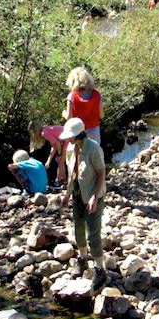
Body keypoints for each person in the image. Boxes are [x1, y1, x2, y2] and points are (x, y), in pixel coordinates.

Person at [60, 117, 106, 277]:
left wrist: (94, 197)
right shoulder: (71, 149)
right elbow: (72, 174)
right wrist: (67, 194)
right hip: (77, 194)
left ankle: (100, 269)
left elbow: (101, 174)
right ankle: (83, 259)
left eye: (70, 136)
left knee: (93, 232)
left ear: (78, 135)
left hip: (93, 194)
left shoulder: (93, 148)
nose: (67, 139)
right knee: (78, 228)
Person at [63, 67, 104, 145]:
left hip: (78, 132)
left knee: (80, 155)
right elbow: (101, 115)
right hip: (94, 130)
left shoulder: (71, 96)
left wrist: (63, 113)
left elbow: (69, 117)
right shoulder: (97, 95)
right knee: (94, 154)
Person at [28, 120, 67, 186]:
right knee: (58, 161)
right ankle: (58, 180)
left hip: (67, 138)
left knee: (61, 161)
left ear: (35, 131)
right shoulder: (46, 130)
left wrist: (59, 154)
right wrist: (49, 161)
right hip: (64, 140)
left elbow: (57, 144)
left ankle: (64, 181)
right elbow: (54, 146)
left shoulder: (44, 133)